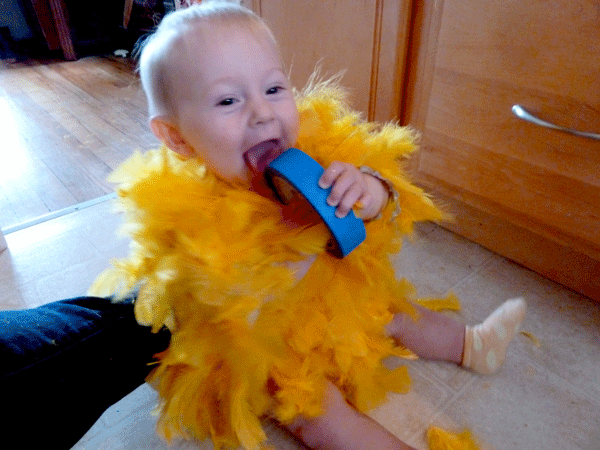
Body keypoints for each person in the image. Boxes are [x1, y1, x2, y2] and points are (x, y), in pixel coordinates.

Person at [2, 2, 525, 450]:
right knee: (318, 411)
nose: (262, 114)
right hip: (265, 346)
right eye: (228, 100)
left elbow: (388, 207)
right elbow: (232, 312)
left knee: (394, 310)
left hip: (330, 296)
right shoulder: (186, 215)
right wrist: (300, 249)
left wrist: (370, 191)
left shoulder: (315, 154)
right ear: (177, 137)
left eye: (274, 88)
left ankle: (470, 343)